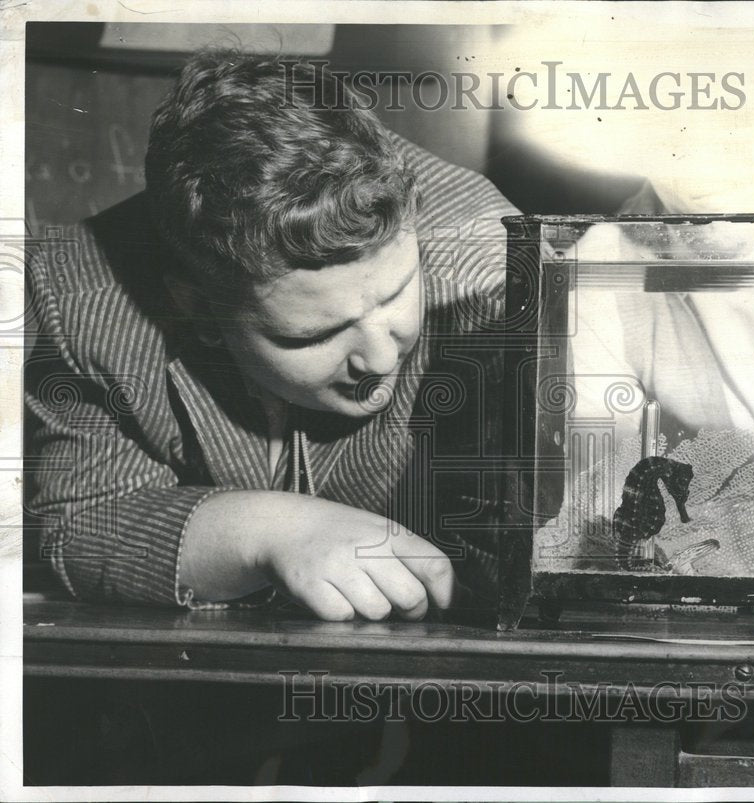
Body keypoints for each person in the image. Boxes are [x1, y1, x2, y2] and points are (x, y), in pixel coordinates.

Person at [25, 50, 518, 620]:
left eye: (394, 295)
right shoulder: (84, 295)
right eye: (313, 335)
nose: (381, 357)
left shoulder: (490, 265)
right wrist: (266, 531)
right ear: (197, 310)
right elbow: (80, 521)